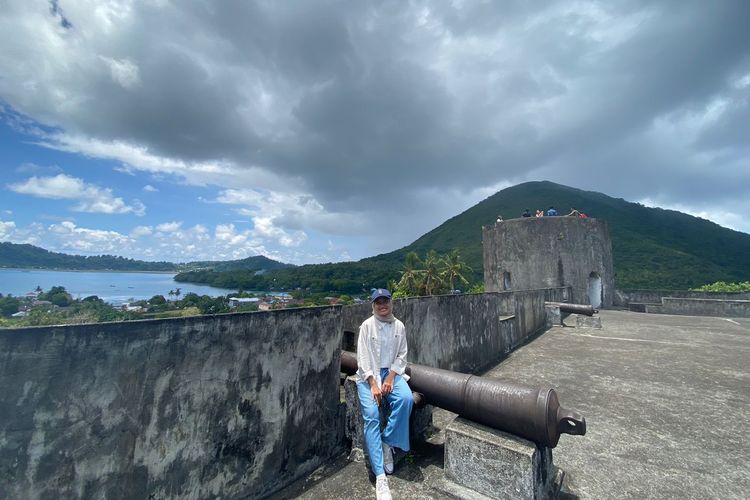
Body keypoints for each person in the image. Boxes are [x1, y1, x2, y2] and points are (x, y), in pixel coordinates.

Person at [357, 288, 413, 500]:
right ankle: (380, 476)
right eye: (378, 302)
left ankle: (387, 441)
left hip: (391, 372)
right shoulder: (366, 326)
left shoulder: (399, 326)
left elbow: (402, 356)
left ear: (391, 303)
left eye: (386, 301)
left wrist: (389, 378)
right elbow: (362, 358)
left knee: (406, 399)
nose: (382, 305)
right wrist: (373, 383)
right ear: (373, 305)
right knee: (371, 415)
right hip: (368, 374)